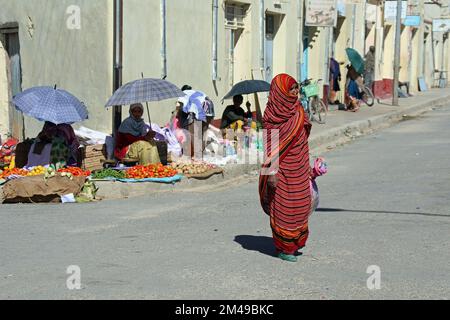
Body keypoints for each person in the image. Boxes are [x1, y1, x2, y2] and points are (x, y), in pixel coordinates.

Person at [258, 73, 314, 263]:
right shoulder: (271, 116)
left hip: (299, 166)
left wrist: (308, 165)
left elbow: (304, 139)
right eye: (291, 89)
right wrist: (271, 173)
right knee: (284, 209)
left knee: (301, 205)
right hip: (281, 170)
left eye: (296, 87)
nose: (295, 91)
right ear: (280, 93)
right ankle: (284, 248)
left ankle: (295, 243)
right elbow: (269, 147)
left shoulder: (298, 111)